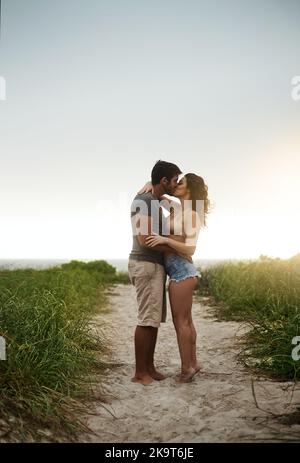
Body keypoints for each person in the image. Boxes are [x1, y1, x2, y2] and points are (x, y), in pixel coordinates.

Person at [141, 173, 210, 382]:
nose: (176, 185)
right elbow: (161, 196)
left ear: (189, 189)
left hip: (181, 272)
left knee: (181, 322)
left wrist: (165, 240)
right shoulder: (180, 208)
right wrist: (148, 184)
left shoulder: (192, 214)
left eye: (181, 183)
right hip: (181, 270)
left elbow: (191, 248)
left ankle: (186, 369)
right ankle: (194, 363)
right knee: (187, 321)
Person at [128, 160, 182, 386]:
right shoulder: (144, 201)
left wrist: (157, 191)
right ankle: (140, 373)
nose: (176, 185)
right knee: (146, 320)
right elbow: (144, 239)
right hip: (146, 264)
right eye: (174, 181)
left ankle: (149, 367)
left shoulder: (153, 200)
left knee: (153, 321)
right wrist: (176, 247)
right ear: (164, 181)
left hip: (154, 266)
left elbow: (176, 205)